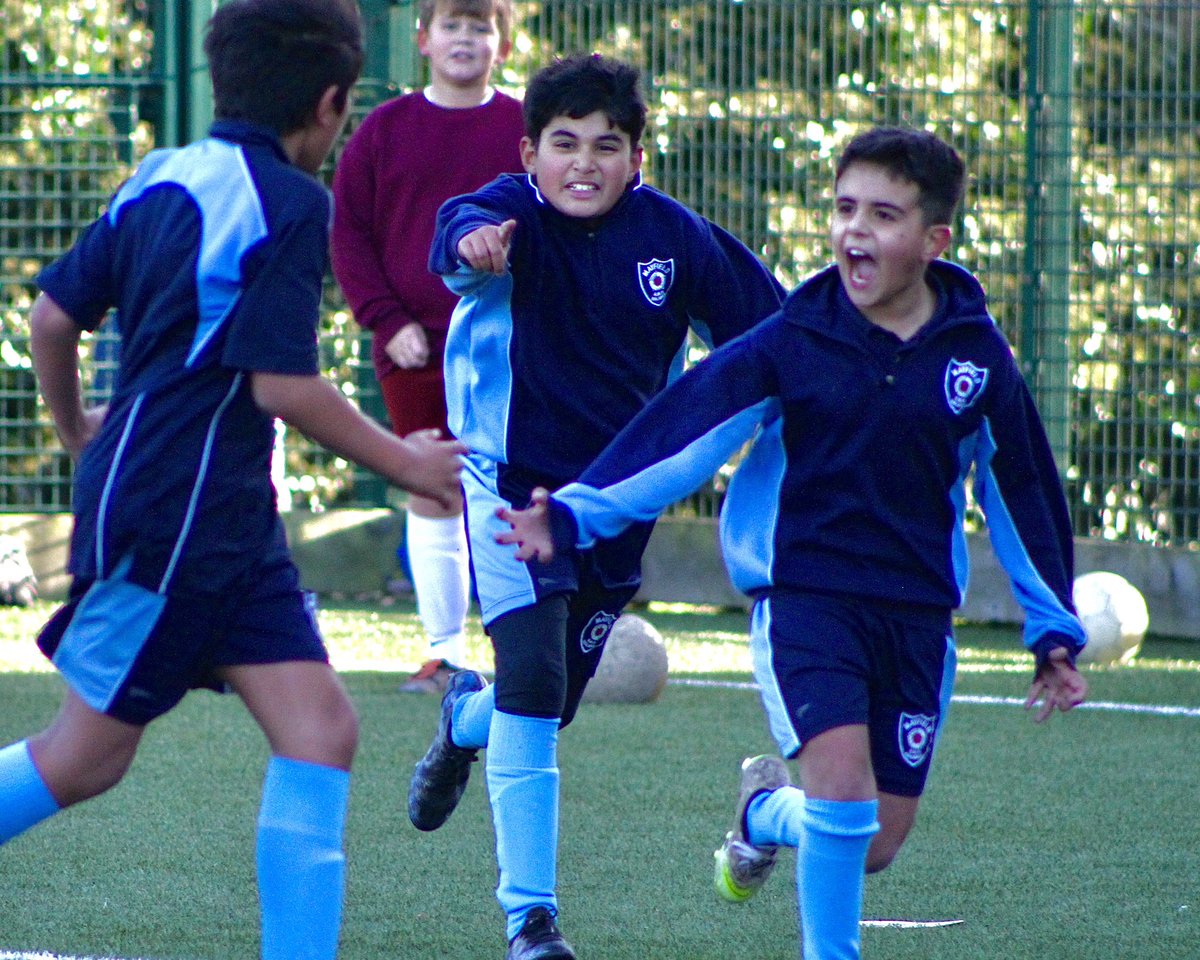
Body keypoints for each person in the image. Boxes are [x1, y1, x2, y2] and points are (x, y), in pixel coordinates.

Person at [495, 127, 1090, 960]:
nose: (855, 231)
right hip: (807, 601)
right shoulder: (794, 337)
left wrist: (1052, 626)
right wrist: (571, 516)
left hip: (917, 617)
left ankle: (763, 813)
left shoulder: (977, 356)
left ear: (934, 240)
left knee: (875, 840)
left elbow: (1022, 489)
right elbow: (683, 430)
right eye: (845, 208)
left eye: (883, 215)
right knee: (842, 797)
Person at [0, 2, 465, 959]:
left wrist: (81, 431)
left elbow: (51, 320)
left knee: (322, 730)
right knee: (83, 759)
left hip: (227, 522)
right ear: (331, 105)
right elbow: (280, 384)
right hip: (169, 520)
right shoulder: (291, 202)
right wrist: (408, 461)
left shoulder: (160, 173)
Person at [407, 53, 785, 960]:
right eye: (563, 143)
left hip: (612, 511)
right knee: (536, 685)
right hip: (508, 490)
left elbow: (771, 334)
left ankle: (463, 717)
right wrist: (472, 246)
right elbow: (455, 233)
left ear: (637, 158)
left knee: (544, 704)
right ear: (530, 154)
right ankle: (530, 921)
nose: (583, 163)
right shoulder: (506, 215)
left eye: (606, 146)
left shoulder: (678, 239)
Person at [332, 0, 524, 694]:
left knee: (512, 487)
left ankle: (524, 648)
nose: (465, 38)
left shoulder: (527, 127)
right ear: (423, 40)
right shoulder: (384, 130)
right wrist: (386, 321)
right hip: (413, 347)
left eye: (480, 27)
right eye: (451, 25)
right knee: (435, 486)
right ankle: (444, 653)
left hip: (510, 345)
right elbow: (348, 233)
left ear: (503, 45)